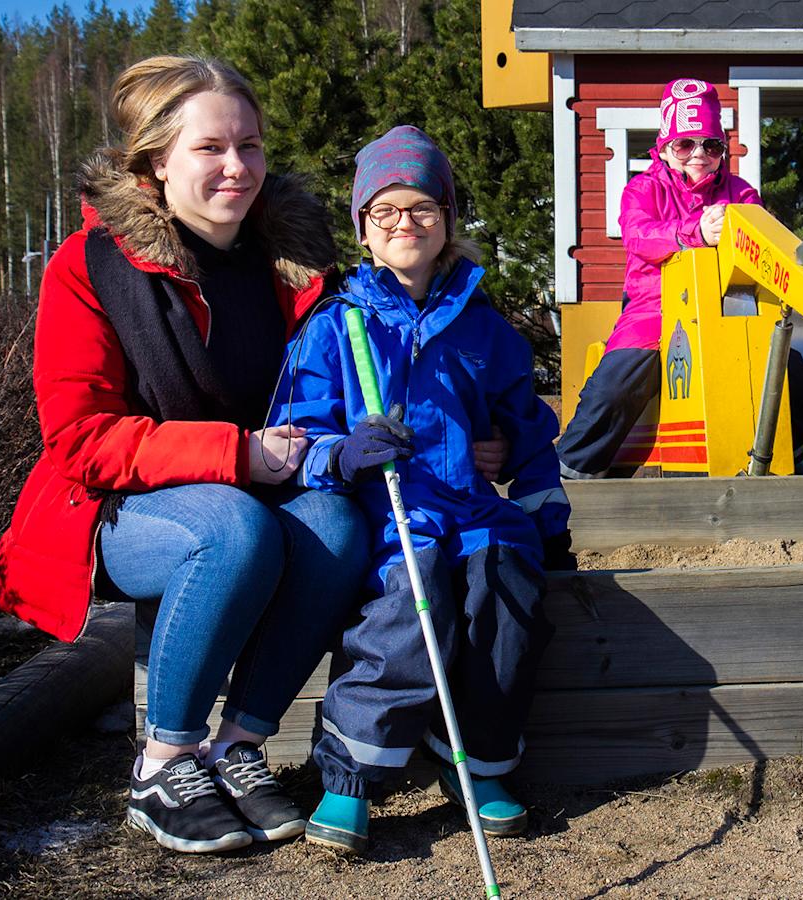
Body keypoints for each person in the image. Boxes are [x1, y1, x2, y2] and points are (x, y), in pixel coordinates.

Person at [0, 55, 371, 854]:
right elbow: (80, 440)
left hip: (258, 486)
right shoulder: (88, 268)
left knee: (335, 525)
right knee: (230, 528)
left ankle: (238, 747)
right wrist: (238, 455)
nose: (238, 167)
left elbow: (350, 379)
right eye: (210, 148)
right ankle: (163, 765)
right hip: (119, 508)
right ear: (156, 163)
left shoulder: (295, 268)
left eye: (252, 145)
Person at [270, 126, 572, 854]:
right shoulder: (335, 327)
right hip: (388, 514)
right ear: (364, 230)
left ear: (447, 223)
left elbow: (525, 432)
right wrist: (342, 455)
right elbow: (295, 433)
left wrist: (548, 521)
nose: (405, 223)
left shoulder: (485, 330)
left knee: (508, 591)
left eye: (422, 210)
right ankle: (351, 777)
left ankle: (478, 757)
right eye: (386, 212)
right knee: (411, 598)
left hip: (471, 508)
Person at [557, 77, 803, 477]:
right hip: (656, 303)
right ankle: (572, 466)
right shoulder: (642, 189)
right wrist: (693, 232)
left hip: (731, 305)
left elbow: (763, 240)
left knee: (791, 370)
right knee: (619, 380)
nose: (699, 154)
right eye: (685, 144)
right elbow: (638, 235)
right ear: (665, 146)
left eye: (711, 145)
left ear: (722, 151)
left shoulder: (742, 193)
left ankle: (790, 457)